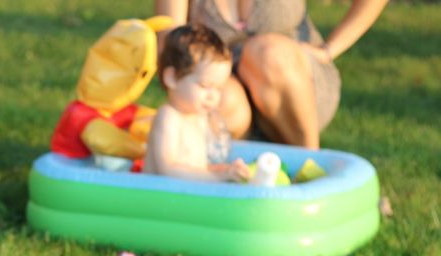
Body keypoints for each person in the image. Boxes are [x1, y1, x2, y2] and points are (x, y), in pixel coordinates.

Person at [154, 0, 388, 149]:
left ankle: (311, 166)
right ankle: (235, 181)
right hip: (224, 90)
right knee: (221, 98)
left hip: (294, 81)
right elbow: (170, 54)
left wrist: (329, 50)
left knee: (268, 53)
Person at [144, 24, 251, 182]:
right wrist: (217, 177)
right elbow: (167, 170)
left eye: (219, 89)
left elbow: (196, 169)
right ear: (172, 78)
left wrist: (225, 170)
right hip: (156, 195)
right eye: (205, 86)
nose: (213, 96)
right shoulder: (168, 117)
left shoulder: (199, 118)